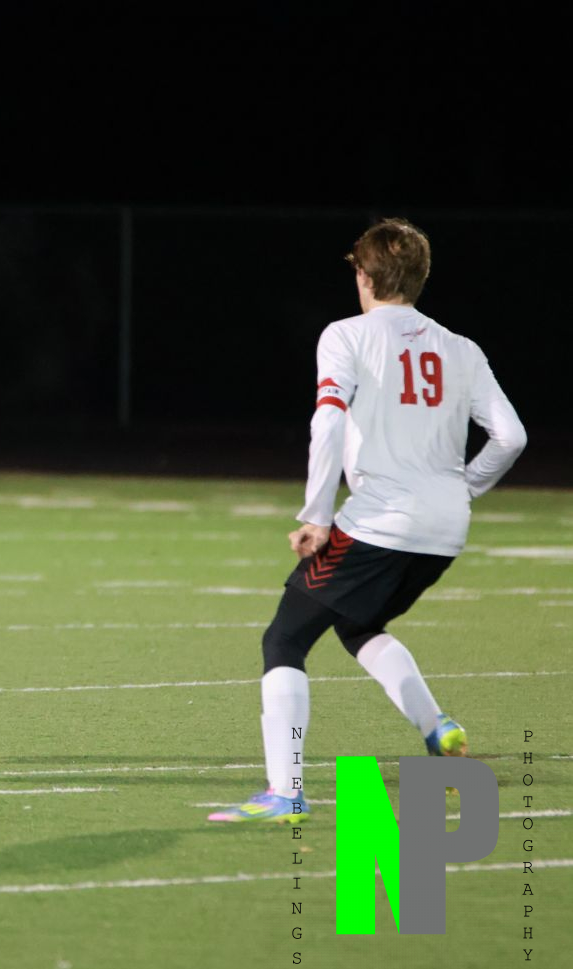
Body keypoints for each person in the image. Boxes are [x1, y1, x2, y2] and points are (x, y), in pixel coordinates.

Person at [208, 218, 527, 824]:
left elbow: (327, 421)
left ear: (364, 275)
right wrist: (463, 488)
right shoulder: (462, 348)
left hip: (380, 522)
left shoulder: (346, 335)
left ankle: (285, 792)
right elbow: (511, 437)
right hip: (444, 531)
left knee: (284, 639)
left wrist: (316, 515)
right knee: (358, 624)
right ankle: (437, 729)